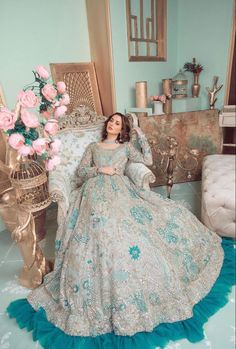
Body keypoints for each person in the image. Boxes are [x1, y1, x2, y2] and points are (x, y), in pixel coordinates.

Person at [7, 113, 235, 349]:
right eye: (110, 121)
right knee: (101, 226)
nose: (111, 124)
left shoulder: (126, 148)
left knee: (146, 224)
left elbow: (146, 159)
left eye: (117, 123)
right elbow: (80, 173)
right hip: (94, 190)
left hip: (122, 191)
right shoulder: (93, 146)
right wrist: (100, 171)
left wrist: (140, 135)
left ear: (122, 129)